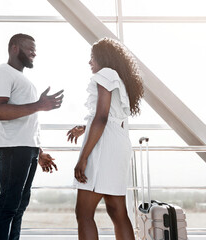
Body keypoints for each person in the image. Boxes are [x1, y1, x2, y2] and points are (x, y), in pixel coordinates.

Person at [67, 38, 144, 240]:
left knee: (84, 214)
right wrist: (85, 127)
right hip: (118, 143)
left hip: (104, 146)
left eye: (92, 57)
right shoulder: (118, 78)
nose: (89, 62)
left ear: (102, 58)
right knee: (117, 211)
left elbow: (102, 117)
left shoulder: (106, 74)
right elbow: (110, 116)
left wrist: (83, 158)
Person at [0, 33, 64, 240]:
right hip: (14, 148)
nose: (34, 53)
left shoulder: (23, 79)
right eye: (29, 48)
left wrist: (38, 152)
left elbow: (26, 121)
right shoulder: (3, 72)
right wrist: (39, 105)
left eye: (34, 49)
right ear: (14, 48)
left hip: (26, 148)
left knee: (19, 205)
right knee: (8, 204)